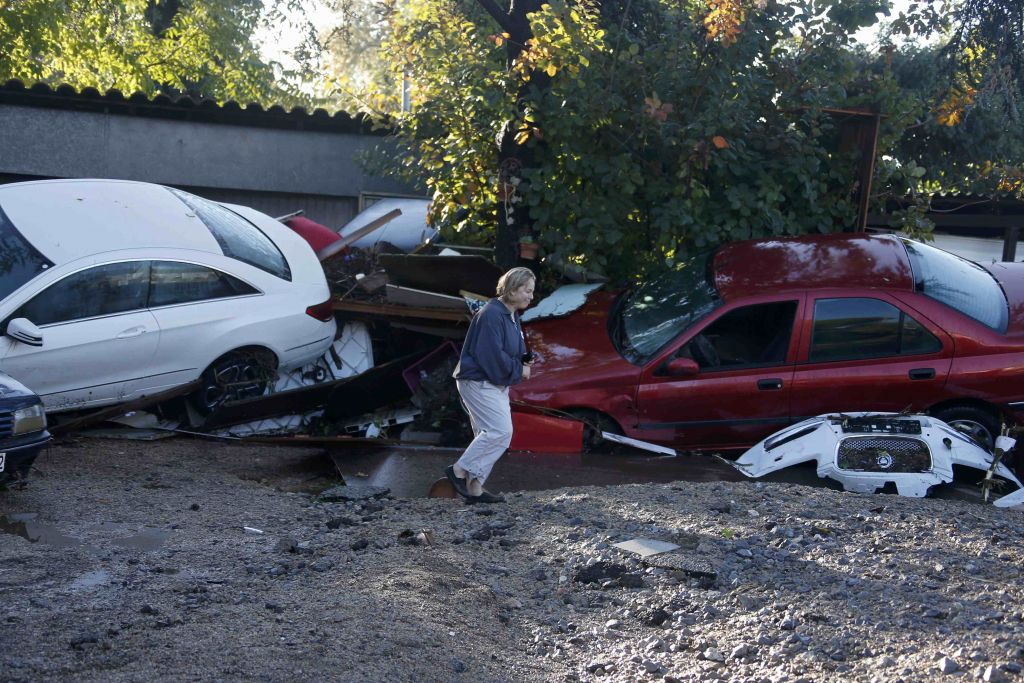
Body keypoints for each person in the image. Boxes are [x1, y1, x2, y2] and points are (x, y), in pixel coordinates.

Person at [445, 266, 536, 503]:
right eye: (527, 290)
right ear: (513, 289)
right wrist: (520, 370)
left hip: (491, 383)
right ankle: (458, 470)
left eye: (531, 291)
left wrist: (524, 358)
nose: (531, 296)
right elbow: (491, 357)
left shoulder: (510, 314)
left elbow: (509, 349)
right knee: (500, 432)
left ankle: (475, 490)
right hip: (477, 381)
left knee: (490, 435)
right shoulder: (491, 315)